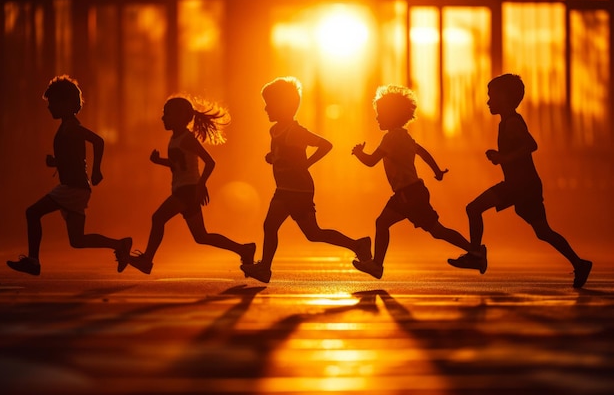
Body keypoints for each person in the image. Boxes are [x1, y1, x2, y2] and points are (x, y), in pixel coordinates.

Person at [448, 73, 592, 288]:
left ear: (504, 97)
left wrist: (504, 157)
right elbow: (521, 149)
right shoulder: (507, 122)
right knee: (543, 232)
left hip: (520, 184)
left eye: (491, 96)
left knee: (473, 208)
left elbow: (531, 145)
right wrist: (500, 156)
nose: (488, 101)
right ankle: (579, 264)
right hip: (525, 184)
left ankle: (476, 253)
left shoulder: (512, 122)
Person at [240, 76, 371, 283]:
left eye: (269, 104)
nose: (266, 109)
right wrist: (272, 157)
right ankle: (265, 267)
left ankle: (358, 245)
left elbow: (326, 145)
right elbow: (283, 154)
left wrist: (307, 164)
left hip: (299, 189)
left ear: (283, 106)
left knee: (310, 232)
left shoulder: (296, 131)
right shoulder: (275, 130)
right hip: (284, 188)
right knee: (279, 227)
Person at [7, 75, 132, 275]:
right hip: (77, 188)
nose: (49, 107)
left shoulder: (71, 126)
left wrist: (96, 169)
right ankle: (120, 244)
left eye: (52, 103)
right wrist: (57, 162)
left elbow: (98, 141)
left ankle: (33, 261)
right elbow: (75, 157)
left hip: (72, 188)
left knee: (32, 212)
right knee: (77, 240)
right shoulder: (68, 126)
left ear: (66, 104)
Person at [351, 84, 475, 279]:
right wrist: (436, 171)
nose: (377, 117)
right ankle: (377, 265)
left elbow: (371, 162)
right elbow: (422, 152)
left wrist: (359, 153)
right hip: (410, 192)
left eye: (380, 113)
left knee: (434, 230)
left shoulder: (391, 138)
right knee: (387, 223)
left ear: (392, 115)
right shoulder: (404, 136)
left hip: (409, 194)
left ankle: (474, 251)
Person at [129, 94, 255, 275]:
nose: (163, 117)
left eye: (167, 114)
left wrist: (201, 185)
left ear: (181, 116)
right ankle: (244, 250)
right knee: (201, 236)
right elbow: (178, 165)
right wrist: (159, 161)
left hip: (187, 190)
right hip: (183, 188)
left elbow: (210, 162)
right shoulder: (175, 138)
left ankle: (147, 260)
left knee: (158, 218)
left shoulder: (187, 138)